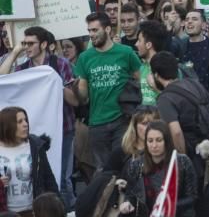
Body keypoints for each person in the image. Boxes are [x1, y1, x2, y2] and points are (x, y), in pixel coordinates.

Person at [0, 26, 77, 209]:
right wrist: (15, 52)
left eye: (31, 43)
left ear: (43, 44)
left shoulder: (60, 64)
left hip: (63, 129)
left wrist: (56, 82)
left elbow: (74, 101)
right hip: (32, 134)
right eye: (24, 43)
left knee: (63, 180)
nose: (27, 47)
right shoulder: (23, 68)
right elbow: (2, 78)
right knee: (38, 177)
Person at [74, 12, 142, 171]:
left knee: (125, 166)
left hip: (122, 119)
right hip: (97, 122)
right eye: (89, 30)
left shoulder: (126, 52)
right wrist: (77, 89)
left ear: (107, 30)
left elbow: (140, 80)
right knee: (103, 170)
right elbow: (83, 96)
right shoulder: (84, 57)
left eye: (95, 30)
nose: (91, 34)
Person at [119, 120, 198, 217]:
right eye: (150, 141)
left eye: (159, 140)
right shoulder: (136, 165)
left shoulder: (182, 162)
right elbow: (131, 194)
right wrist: (127, 203)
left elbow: (192, 197)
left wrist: (167, 207)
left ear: (167, 141)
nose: (154, 145)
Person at [0, 107, 59, 214]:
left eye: (25, 120)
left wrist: (59, 205)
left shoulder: (35, 146)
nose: (25, 124)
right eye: (19, 121)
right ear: (7, 125)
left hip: (33, 211)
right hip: (5, 212)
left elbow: (48, 178)